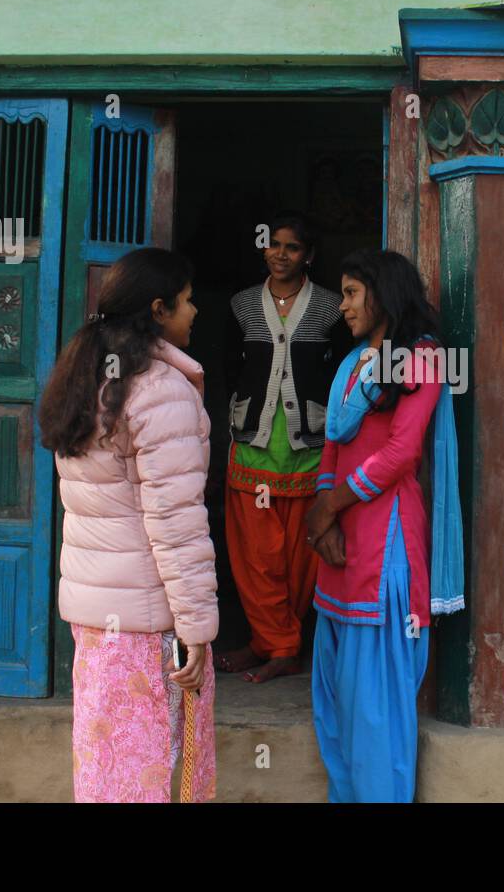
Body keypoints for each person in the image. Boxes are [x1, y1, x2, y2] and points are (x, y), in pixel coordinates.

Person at [38, 246, 217, 803]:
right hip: (148, 626)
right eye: (187, 302)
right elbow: (176, 523)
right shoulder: (160, 392)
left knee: (107, 769)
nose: (196, 313)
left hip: (98, 626)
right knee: (155, 771)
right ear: (158, 309)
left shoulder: (82, 381)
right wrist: (196, 629)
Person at [305, 248, 464, 803]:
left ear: (383, 293)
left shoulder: (421, 357)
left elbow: (401, 453)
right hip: (340, 547)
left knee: (376, 709)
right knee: (335, 702)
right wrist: (324, 514)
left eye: (351, 293)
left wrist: (330, 508)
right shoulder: (352, 365)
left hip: (386, 542)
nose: (343, 305)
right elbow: (331, 445)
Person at [219, 212, 350, 682]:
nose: (280, 254)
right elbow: (228, 370)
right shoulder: (240, 306)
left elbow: (339, 377)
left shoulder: (333, 309)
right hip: (252, 446)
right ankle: (270, 641)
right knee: (257, 557)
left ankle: (281, 645)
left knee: (300, 556)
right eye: (273, 244)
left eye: (292, 247)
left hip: (308, 449)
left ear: (309, 256)